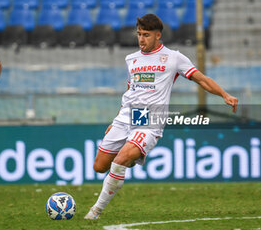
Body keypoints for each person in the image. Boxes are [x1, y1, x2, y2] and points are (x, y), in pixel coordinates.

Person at [84, 14, 238, 219]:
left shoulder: (174, 58)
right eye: (139, 34)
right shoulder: (131, 59)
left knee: (120, 160)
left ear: (158, 36)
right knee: (99, 167)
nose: (141, 39)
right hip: (126, 116)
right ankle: (131, 156)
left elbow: (201, 79)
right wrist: (116, 120)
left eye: (146, 35)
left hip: (150, 119)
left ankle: (96, 211)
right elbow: (131, 90)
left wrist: (224, 95)